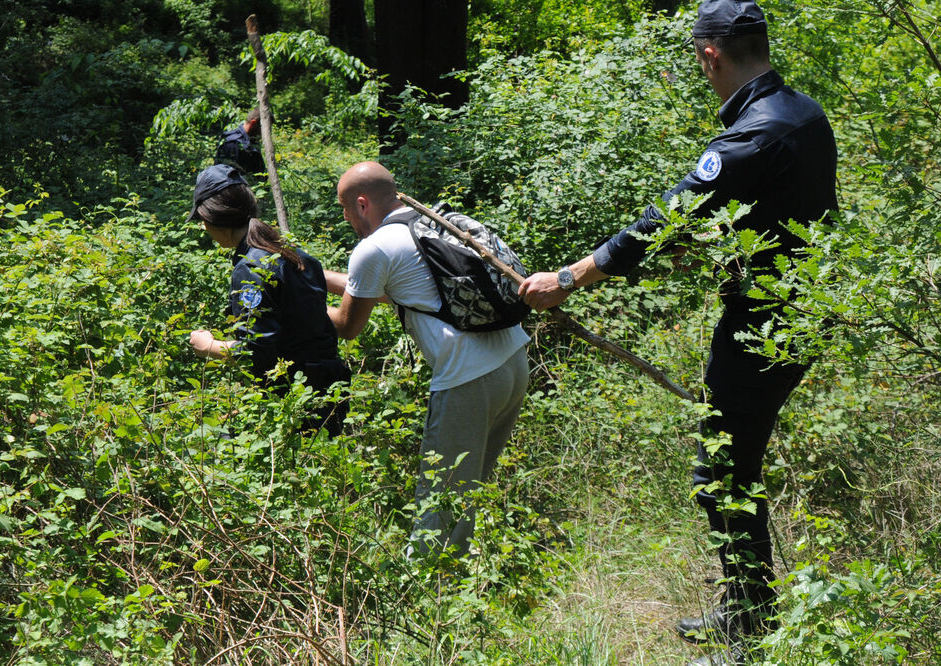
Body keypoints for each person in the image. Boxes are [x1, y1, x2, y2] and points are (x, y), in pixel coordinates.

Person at [518, 1, 837, 663]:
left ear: (710, 54)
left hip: (764, 323)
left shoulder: (752, 133)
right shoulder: (804, 113)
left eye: (699, 60)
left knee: (720, 471)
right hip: (802, 310)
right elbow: (790, 211)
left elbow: (666, 214)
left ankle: (753, 630)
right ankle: (744, 611)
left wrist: (570, 278)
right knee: (731, 464)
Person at [325, 161, 530, 557]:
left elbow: (346, 325)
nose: (346, 218)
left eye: (345, 208)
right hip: (512, 362)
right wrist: (315, 275)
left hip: (467, 379)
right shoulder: (430, 223)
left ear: (362, 204)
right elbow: (388, 290)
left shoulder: (373, 249)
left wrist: (293, 306)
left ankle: (426, 598)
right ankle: (464, 583)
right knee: (469, 490)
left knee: (441, 498)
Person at [187, 164, 350, 436]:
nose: (203, 227)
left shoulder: (250, 268)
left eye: (202, 220)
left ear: (215, 218)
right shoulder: (295, 255)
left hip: (293, 402)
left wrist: (209, 346)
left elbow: (256, 350)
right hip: (329, 392)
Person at [214, 108, 265, 175]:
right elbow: (227, 177)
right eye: (263, 129)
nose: (264, 134)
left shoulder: (251, 142)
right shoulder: (233, 143)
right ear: (253, 123)